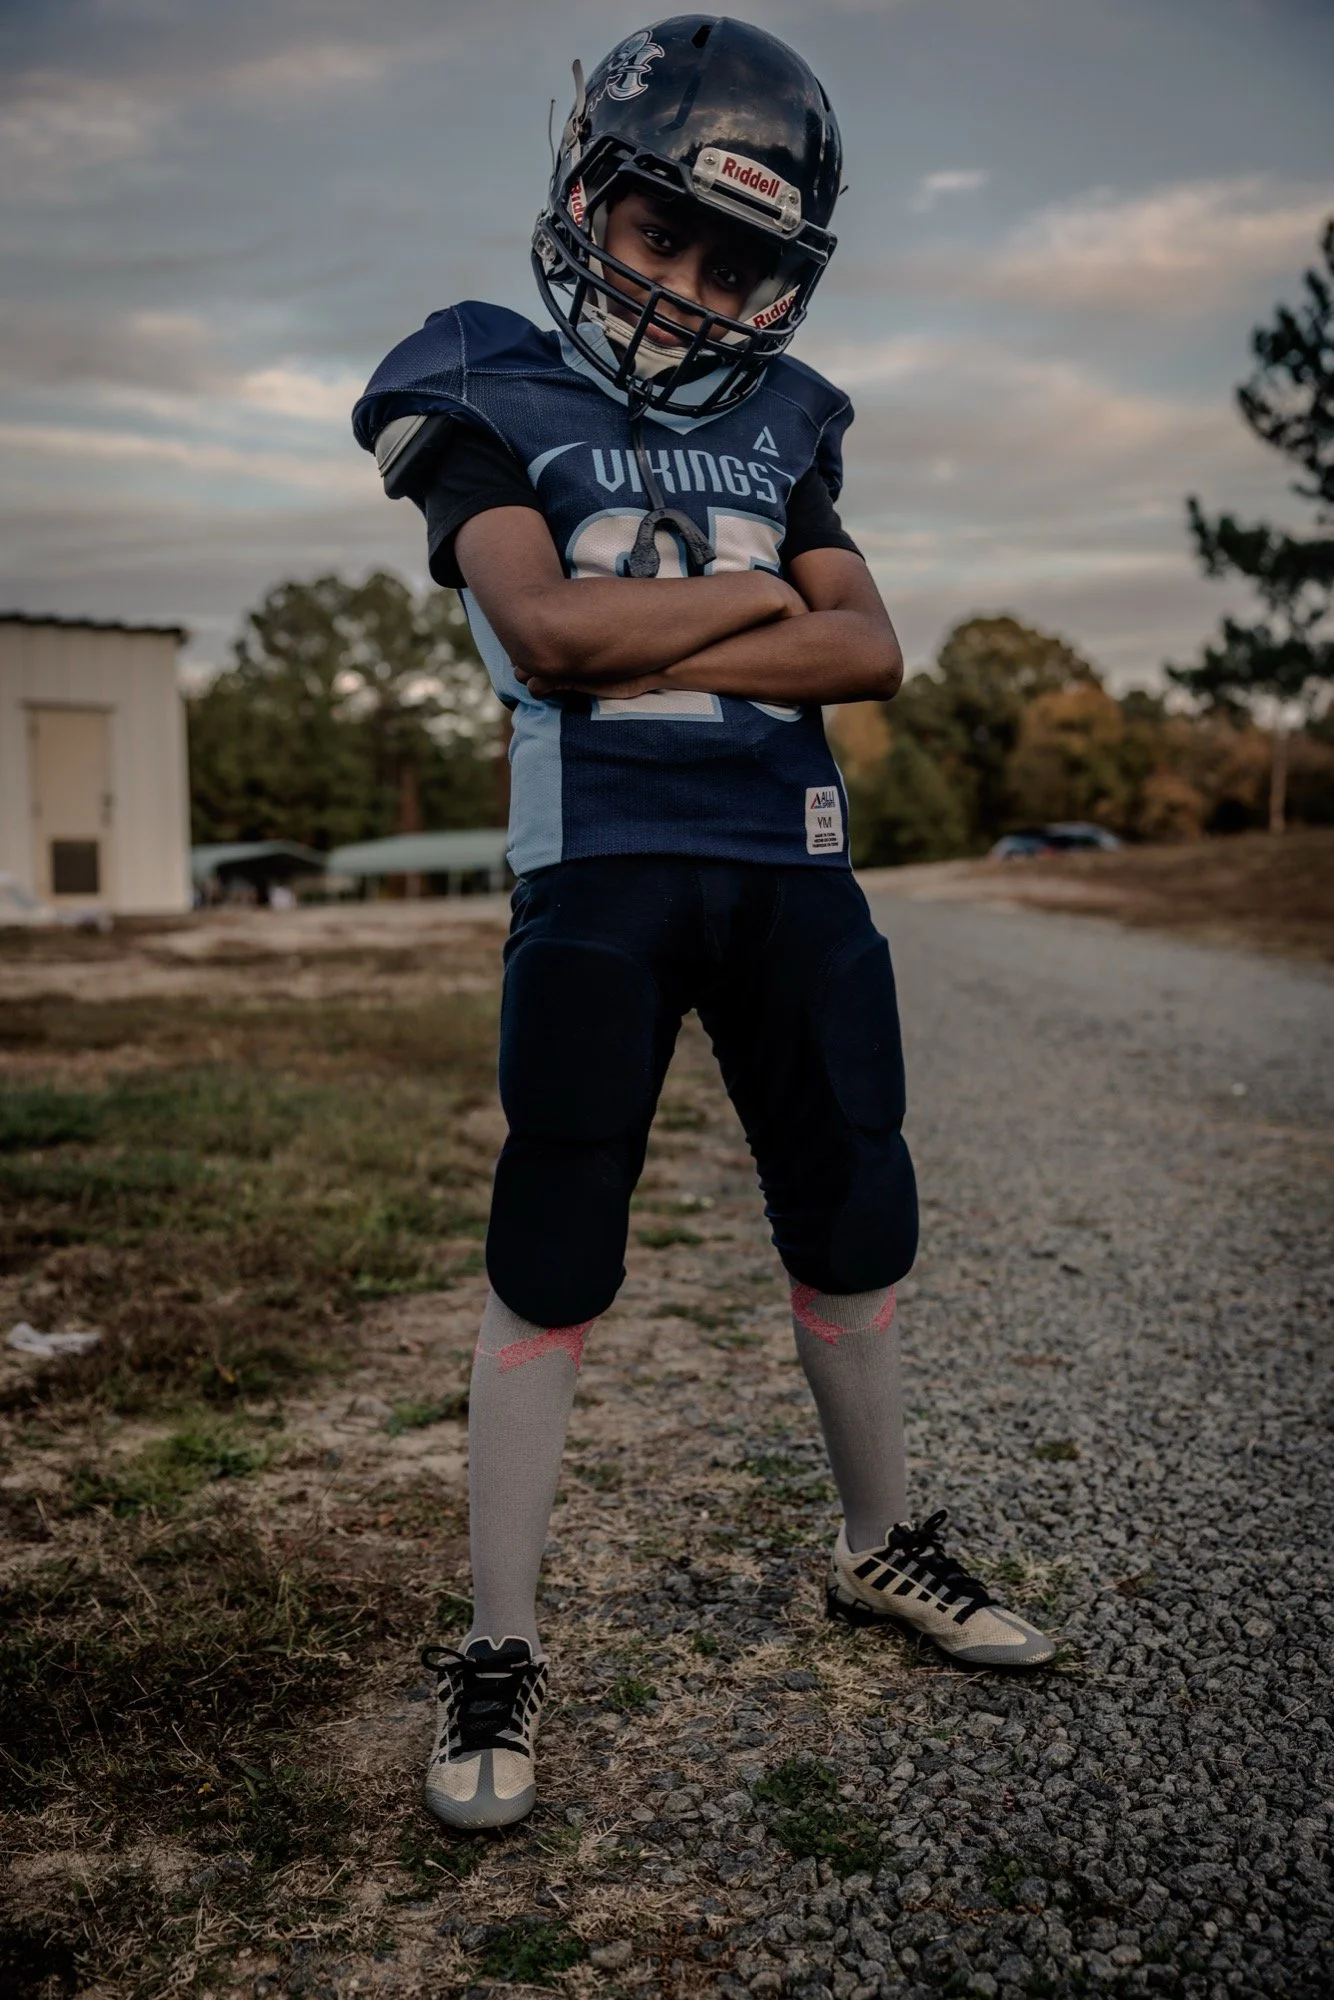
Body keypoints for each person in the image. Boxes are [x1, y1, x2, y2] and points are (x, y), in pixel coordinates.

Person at [354, 14, 1056, 1833]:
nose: (685, 289)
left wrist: (666, 630)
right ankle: (497, 1640)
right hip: (599, 872)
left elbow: (873, 647)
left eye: (738, 262)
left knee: (854, 1207)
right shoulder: (480, 381)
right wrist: (753, 628)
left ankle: (879, 1543)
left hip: (792, 864)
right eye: (660, 235)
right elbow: (549, 639)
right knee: (557, 1234)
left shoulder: (785, 424)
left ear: (788, 286)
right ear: (585, 199)